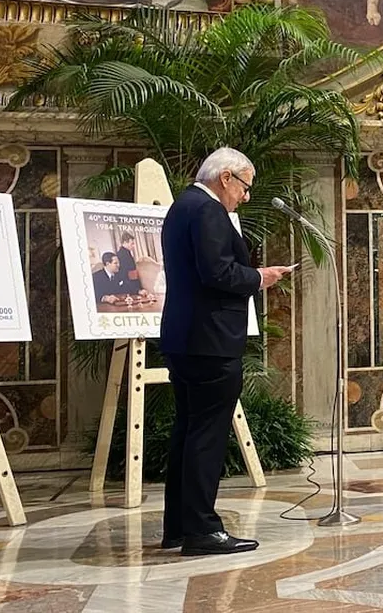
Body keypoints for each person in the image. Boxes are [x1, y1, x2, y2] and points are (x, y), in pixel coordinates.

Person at [159, 147, 294, 556]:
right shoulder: (207, 211)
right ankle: (202, 530)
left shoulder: (182, 206)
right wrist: (260, 276)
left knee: (188, 431)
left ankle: (180, 526)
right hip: (210, 342)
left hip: (185, 339)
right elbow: (217, 272)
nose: (246, 197)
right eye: (245, 187)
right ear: (226, 178)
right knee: (206, 436)